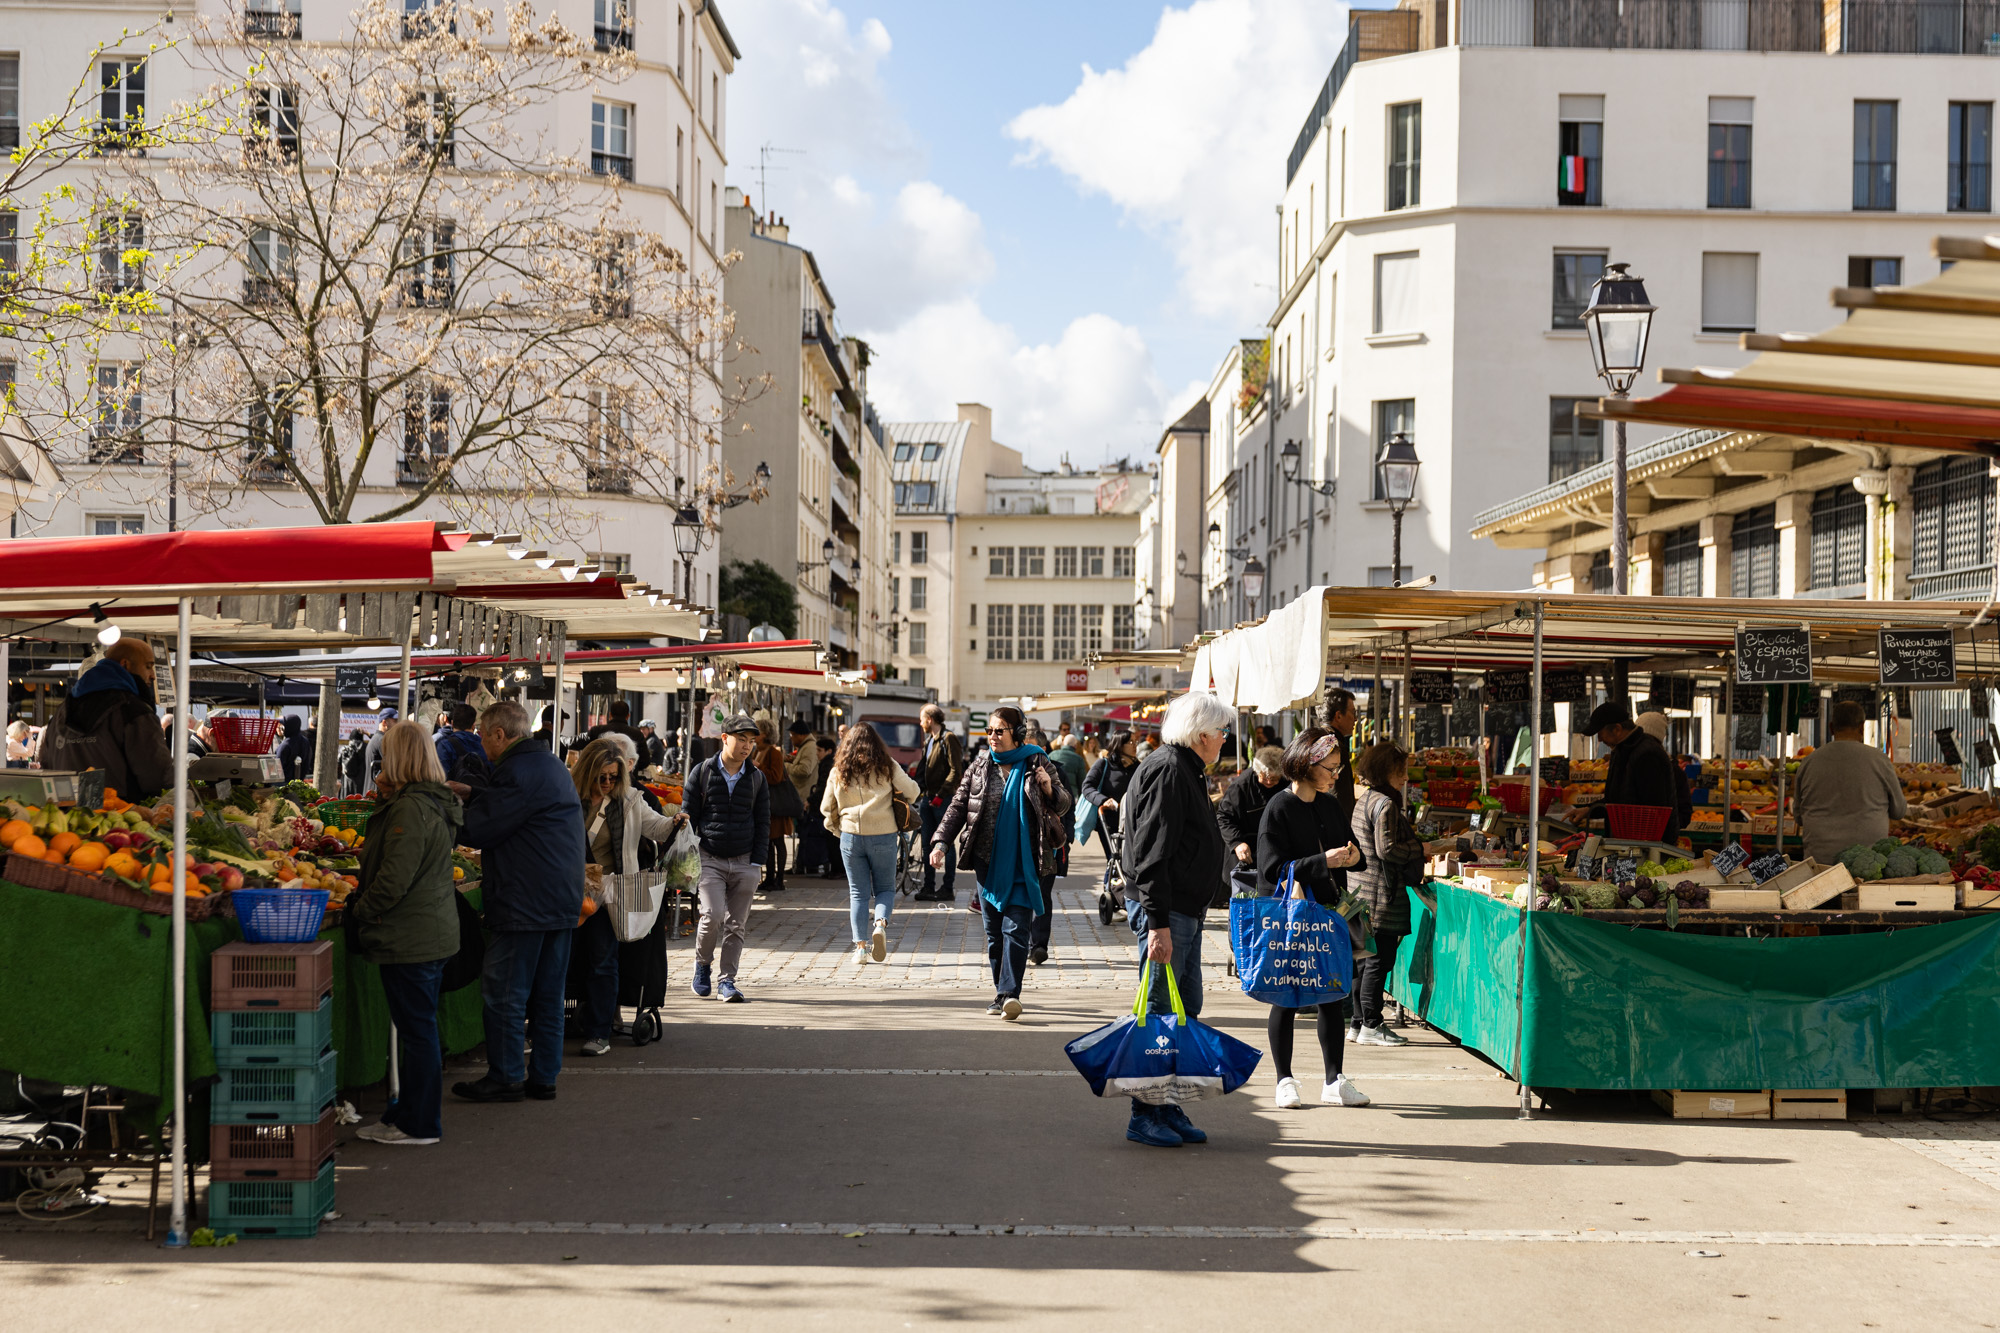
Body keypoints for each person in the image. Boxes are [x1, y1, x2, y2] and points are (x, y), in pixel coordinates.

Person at [450, 700, 588, 1103]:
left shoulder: (515, 771)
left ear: (498, 735)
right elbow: (522, 810)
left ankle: (507, 1075)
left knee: (505, 990)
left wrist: (442, 806)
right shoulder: (547, 765)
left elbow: (480, 828)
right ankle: (544, 1076)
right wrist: (476, 791)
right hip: (560, 898)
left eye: (481, 735)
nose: (479, 743)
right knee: (548, 992)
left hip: (526, 899)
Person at [1116, 691, 1231, 1148]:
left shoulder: (1186, 768)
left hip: (1184, 910)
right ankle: (1145, 1112)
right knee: (1162, 1015)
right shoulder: (1169, 770)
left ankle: (1167, 1103)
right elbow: (1151, 854)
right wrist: (1158, 923)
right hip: (1167, 912)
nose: (1224, 739)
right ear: (1201, 735)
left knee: (1184, 1010)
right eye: (1221, 732)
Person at [350, 721, 464, 1145]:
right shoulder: (429, 801)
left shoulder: (411, 809)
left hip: (410, 934)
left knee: (417, 1033)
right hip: (425, 929)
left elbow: (394, 879)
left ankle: (420, 1124)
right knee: (417, 1029)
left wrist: (362, 910)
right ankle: (403, 1115)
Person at [932, 706, 1071, 1022]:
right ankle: (1001, 991)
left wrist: (1048, 787)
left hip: (1024, 860)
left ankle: (1009, 994)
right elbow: (958, 805)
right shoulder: (980, 764)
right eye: (990, 731)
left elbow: (1064, 802)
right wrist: (941, 841)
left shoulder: (1037, 760)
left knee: (1015, 929)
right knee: (994, 931)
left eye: (999, 731)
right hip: (986, 861)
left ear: (1017, 734)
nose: (992, 736)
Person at [1256, 728, 1370, 1111]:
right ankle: (1284, 1079)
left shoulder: (1329, 804)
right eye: (1330, 768)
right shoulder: (1278, 807)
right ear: (1307, 764)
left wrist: (1352, 858)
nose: (1335, 775)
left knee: (1333, 995)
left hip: (1329, 912)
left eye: (1338, 768)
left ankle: (1334, 1080)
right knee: (1286, 995)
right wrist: (1324, 861)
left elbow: (1353, 850)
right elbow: (1271, 869)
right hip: (1290, 917)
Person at [570, 736, 679, 1055]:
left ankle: (598, 1033)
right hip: (569, 889)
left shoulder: (629, 800)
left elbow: (656, 828)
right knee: (562, 960)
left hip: (607, 893)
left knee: (603, 960)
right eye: (600, 777)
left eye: (613, 777)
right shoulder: (569, 797)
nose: (606, 783)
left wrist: (675, 821)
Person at [683, 714, 770, 1003]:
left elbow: (763, 821)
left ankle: (727, 981)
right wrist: (691, 855)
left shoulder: (757, 778)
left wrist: (757, 862)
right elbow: (689, 816)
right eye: (741, 740)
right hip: (710, 858)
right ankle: (702, 965)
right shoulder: (703, 772)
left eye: (751, 742)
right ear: (724, 739)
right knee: (712, 915)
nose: (747, 747)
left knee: (737, 924)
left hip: (745, 860)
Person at [821, 723, 923, 964]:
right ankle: (880, 925)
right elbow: (913, 791)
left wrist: (837, 829)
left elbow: (827, 807)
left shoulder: (839, 769)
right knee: (885, 888)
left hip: (850, 835)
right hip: (884, 834)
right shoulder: (887, 766)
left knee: (858, 892)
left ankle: (860, 949)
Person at [1347, 741, 1424, 1048]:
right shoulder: (1387, 804)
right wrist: (1421, 848)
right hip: (1380, 896)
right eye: (1401, 771)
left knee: (1364, 961)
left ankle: (1356, 1023)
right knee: (1378, 960)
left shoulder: (1366, 799)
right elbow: (1387, 849)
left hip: (1361, 892)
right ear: (1388, 771)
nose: (1405, 778)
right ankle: (1372, 1024)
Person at [38, 639, 172, 799]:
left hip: (66, 820)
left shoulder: (62, 712)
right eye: (148, 666)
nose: (153, 676)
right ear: (125, 664)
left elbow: (46, 765)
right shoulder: (133, 712)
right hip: (122, 818)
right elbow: (158, 776)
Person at [1794, 699, 1909, 866]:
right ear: (1862, 728)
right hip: (1869, 861)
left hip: (1820, 860)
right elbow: (1899, 811)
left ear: (1831, 728)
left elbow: (1798, 816)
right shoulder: (1880, 761)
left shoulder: (1808, 762)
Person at [1580, 700, 1681, 839]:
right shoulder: (1620, 751)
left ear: (1617, 729)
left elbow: (1652, 810)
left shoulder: (1648, 754)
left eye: (1600, 733)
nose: (1599, 739)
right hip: (1627, 842)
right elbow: (1616, 800)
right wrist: (1589, 810)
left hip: (1646, 845)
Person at [1024, 723, 1072, 965]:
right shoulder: (1016, 768)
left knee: (1042, 895)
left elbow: (1068, 806)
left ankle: (1039, 945)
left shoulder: (1057, 772)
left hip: (1050, 846)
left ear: (1043, 748)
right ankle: (1022, 944)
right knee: (1022, 895)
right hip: (1022, 845)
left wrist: (1068, 838)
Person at [912, 704, 965, 902]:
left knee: (945, 843)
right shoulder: (930, 741)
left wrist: (941, 794)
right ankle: (928, 886)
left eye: (921, 719)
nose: (920, 723)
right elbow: (922, 770)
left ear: (930, 720)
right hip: (928, 798)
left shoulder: (948, 738)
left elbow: (955, 769)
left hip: (943, 799)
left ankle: (947, 887)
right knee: (927, 844)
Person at [1217, 746, 1287, 887]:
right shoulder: (1241, 785)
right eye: (1264, 777)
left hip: (1273, 847)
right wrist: (1237, 843)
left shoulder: (1286, 784)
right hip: (1245, 847)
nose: (1269, 781)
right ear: (1256, 771)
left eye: (1274, 778)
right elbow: (1224, 816)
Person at [1081, 729, 1140, 886]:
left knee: (1130, 859)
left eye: (1136, 742)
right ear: (1120, 745)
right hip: (1109, 821)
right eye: (1131, 742)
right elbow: (1087, 787)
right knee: (1114, 857)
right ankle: (1112, 889)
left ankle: (1120, 889)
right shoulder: (1104, 764)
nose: (1135, 746)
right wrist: (1103, 800)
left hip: (1133, 822)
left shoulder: (1138, 767)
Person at [1634, 710, 1693, 837]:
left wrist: (1665, 827)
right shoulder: (1631, 765)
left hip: (1658, 839)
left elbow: (1684, 813)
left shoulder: (1674, 772)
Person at [753, 718, 792, 894]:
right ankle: (769, 878)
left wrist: (758, 767)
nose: (755, 736)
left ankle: (778, 879)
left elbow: (776, 777)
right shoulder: (755, 751)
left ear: (766, 734)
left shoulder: (773, 753)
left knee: (778, 841)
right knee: (767, 843)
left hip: (775, 805)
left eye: (758, 732)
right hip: (763, 804)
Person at [785, 718, 827, 875]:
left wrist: (786, 765)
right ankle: (802, 864)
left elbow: (805, 770)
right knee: (804, 833)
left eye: (792, 735)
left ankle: (804, 865)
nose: (791, 738)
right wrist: (793, 759)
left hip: (805, 795)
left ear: (801, 735)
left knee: (805, 833)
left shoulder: (809, 747)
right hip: (803, 794)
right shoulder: (806, 746)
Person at [434, 702, 492, 787]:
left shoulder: (445, 745)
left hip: (454, 796)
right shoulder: (484, 744)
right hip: (481, 795)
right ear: (473, 725)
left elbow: (441, 778)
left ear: (452, 723)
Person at [586, 699, 650, 758]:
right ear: (628, 716)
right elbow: (644, 760)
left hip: (601, 769)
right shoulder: (637, 734)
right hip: (629, 770)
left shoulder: (596, 731)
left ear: (610, 715)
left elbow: (583, 748)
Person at [364, 708, 400, 790]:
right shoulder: (382, 740)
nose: (397, 724)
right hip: (377, 792)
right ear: (384, 723)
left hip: (372, 790)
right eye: (395, 721)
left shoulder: (377, 739)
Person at [1048, 731, 1088, 800]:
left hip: (1054, 792)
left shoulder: (1052, 755)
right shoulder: (1079, 759)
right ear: (1075, 746)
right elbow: (1082, 782)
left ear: (1063, 743)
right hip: (1071, 794)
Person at [276, 715, 312, 783]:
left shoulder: (286, 745)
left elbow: (277, 766)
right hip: (299, 782)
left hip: (283, 783)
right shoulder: (305, 741)